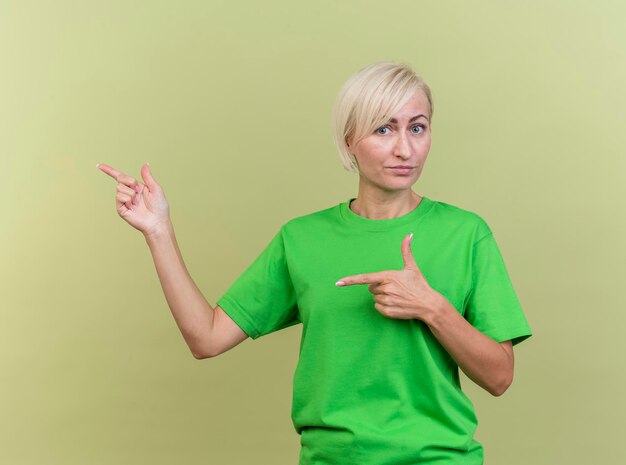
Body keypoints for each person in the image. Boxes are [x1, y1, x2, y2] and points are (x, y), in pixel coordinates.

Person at [97, 60, 532, 465]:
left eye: (417, 128)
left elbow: (500, 377)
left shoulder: (466, 233)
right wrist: (159, 232)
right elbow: (206, 339)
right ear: (349, 141)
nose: (405, 148)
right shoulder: (302, 239)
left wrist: (432, 307)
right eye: (384, 130)